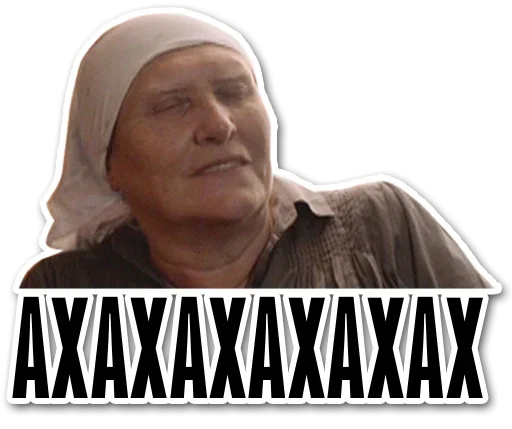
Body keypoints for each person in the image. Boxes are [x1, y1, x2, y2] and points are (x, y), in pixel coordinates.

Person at [19, 8, 496, 289]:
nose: (219, 125)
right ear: (108, 162)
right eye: (172, 105)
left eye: (234, 92)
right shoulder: (68, 287)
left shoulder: (379, 225)